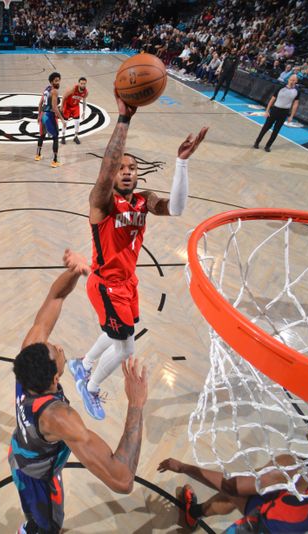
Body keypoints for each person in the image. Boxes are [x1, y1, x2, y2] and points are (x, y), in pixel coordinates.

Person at [68, 89, 208, 420]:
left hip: (127, 282)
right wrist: (124, 119)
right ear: (112, 174)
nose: (127, 171)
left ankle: (82, 364)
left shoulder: (143, 199)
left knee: (118, 331)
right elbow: (105, 171)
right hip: (105, 284)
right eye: (121, 168)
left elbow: (175, 208)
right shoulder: (101, 203)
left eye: (132, 167)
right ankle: (88, 388)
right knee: (126, 346)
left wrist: (182, 162)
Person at [9, 249, 149, 534]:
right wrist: (136, 403)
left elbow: (55, 297)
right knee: (47, 525)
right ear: (55, 375)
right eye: (56, 352)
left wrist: (75, 271)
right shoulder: (60, 418)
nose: (58, 347)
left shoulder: (29, 358)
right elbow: (122, 480)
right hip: (37, 476)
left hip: (23, 450)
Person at [157, 448, 308, 532]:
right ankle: (193, 514)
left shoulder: (298, 468)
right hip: (295, 522)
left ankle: (192, 514)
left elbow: (231, 485)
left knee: (237, 491)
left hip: (262, 527)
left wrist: (183, 467)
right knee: (236, 497)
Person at [253, 75, 299, 152]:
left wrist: (291, 116)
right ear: (288, 80)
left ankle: (268, 146)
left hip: (284, 112)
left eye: (294, 80)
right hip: (275, 110)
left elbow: (295, 104)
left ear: (296, 81)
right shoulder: (281, 88)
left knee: (276, 130)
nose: (292, 81)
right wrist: (267, 111)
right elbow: (272, 99)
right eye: (291, 79)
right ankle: (257, 142)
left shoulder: (297, 91)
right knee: (266, 127)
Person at [35, 72, 65, 168]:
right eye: (56, 81)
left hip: (43, 115)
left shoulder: (46, 89)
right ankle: (54, 161)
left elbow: (40, 104)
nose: (58, 82)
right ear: (52, 82)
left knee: (42, 135)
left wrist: (39, 116)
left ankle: (38, 155)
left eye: (59, 80)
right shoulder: (54, 91)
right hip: (49, 116)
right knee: (55, 137)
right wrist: (62, 120)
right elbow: (55, 108)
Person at [61, 77, 88, 145]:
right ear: (79, 83)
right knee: (65, 122)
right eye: (81, 83)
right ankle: (63, 136)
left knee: (77, 122)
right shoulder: (73, 89)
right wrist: (61, 107)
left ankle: (75, 137)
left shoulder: (86, 92)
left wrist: (84, 111)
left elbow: (84, 101)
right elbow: (64, 96)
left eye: (84, 84)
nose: (83, 85)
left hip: (75, 106)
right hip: (67, 106)